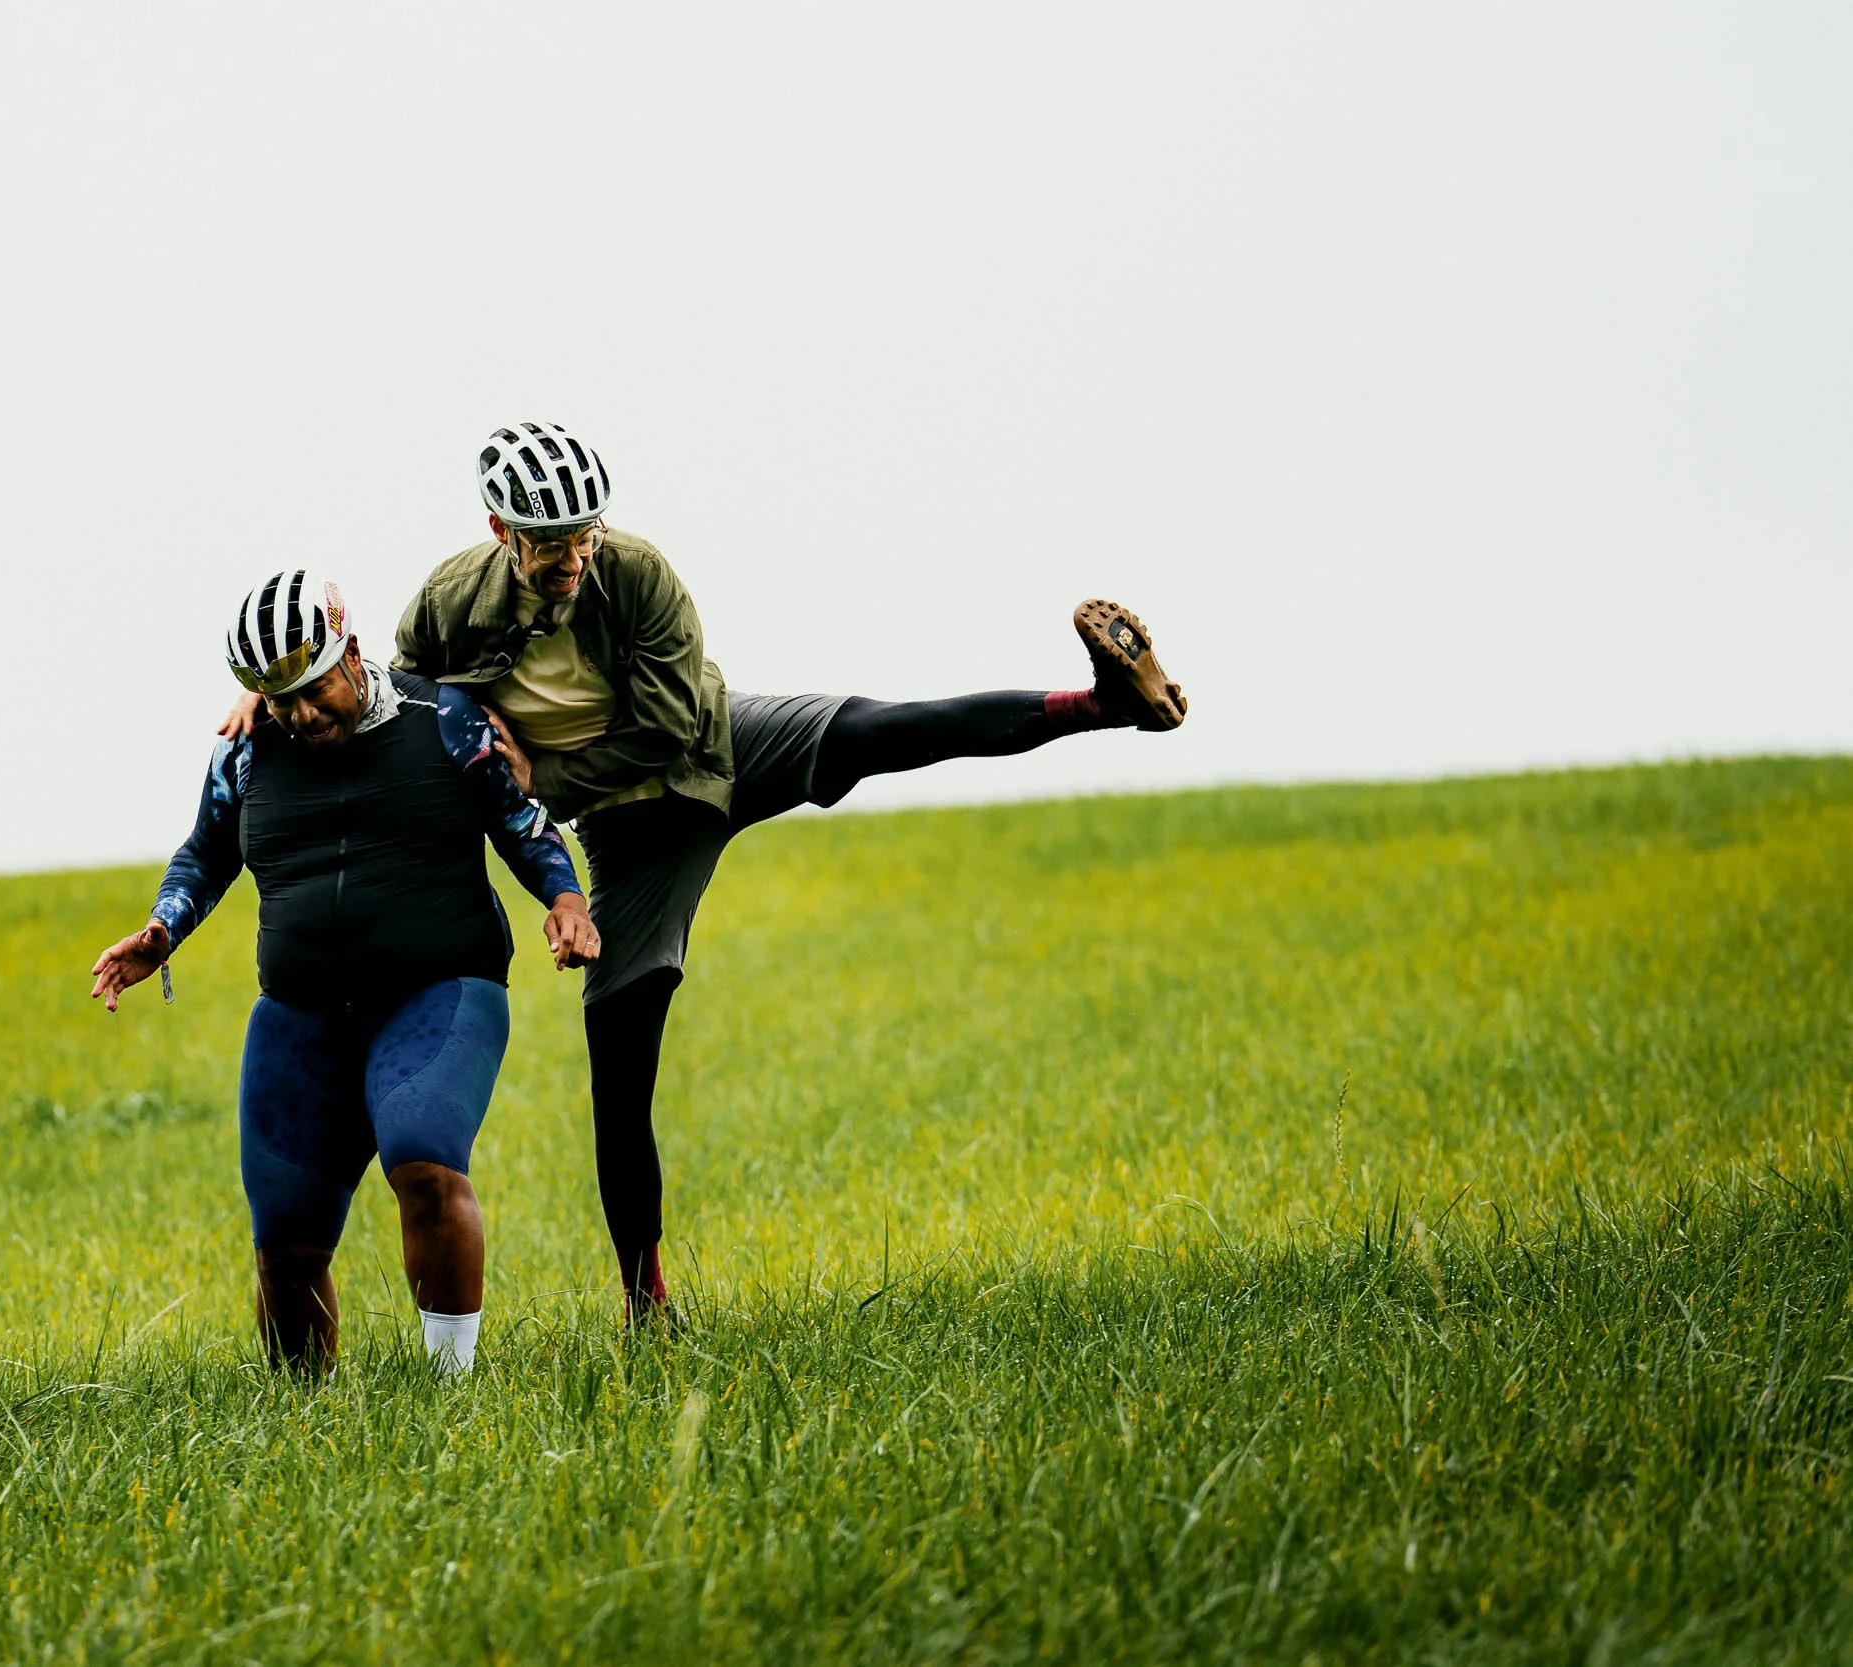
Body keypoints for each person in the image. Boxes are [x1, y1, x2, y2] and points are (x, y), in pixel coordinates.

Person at [220, 423, 1189, 1323]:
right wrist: (271, 690)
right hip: (636, 835)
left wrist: (542, 781)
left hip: (711, 748)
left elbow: (674, 726)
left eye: (584, 534)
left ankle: (1099, 702)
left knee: (877, 729)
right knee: (620, 1055)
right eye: (551, 539)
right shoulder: (447, 600)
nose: (573, 555)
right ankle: (646, 1297)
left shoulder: (636, 572)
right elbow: (403, 697)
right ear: (500, 529)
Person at [95, 570, 599, 1374]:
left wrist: (566, 899)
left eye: (313, 688)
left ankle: (452, 1389)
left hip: (439, 991)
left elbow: (520, 819)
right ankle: (302, 1420)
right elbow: (206, 850)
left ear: (352, 652)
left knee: (425, 1158)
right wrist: (164, 929)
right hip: (302, 1015)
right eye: (279, 697)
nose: (301, 713)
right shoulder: (249, 748)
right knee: (286, 1237)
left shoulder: (445, 716)